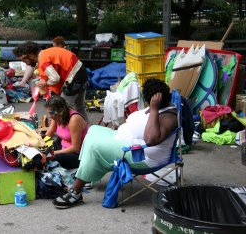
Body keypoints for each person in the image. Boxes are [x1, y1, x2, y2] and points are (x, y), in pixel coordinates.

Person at [52, 78, 178, 209]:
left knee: (94, 147)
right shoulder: (161, 108)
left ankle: (76, 192)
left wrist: (153, 109)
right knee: (93, 131)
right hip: (126, 143)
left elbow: (151, 139)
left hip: (141, 157)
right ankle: (86, 175)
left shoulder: (169, 116)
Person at [13, 41, 89, 121]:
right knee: (79, 107)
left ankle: (60, 130)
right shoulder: (47, 53)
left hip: (74, 77)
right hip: (81, 73)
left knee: (60, 108)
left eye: (24, 60)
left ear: (31, 55)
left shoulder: (43, 59)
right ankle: (85, 129)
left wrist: (45, 83)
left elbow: (55, 78)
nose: (25, 63)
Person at [44, 95, 89, 169]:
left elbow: (75, 148)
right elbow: (48, 135)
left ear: (61, 111)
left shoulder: (74, 119)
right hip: (64, 147)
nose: (50, 116)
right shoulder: (56, 116)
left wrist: (53, 153)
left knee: (51, 158)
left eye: (51, 113)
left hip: (77, 154)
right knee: (44, 151)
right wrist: (39, 146)